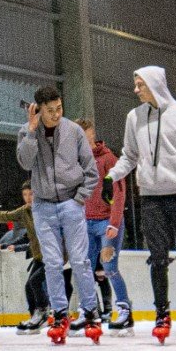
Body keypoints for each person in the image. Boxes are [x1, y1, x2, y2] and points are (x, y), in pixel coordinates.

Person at [105, 67, 176, 345]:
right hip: (151, 197)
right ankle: (162, 314)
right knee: (158, 258)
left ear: (154, 84)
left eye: (140, 84)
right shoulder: (134, 117)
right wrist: (111, 176)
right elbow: (129, 156)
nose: (136, 90)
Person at [17, 86, 102, 344]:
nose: (56, 114)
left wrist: (79, 199)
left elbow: (91, 171)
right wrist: (32, 131)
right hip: (43, 207)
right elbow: (25, 162)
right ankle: (60, 314)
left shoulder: (74, 131)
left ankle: (91, 312)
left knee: (80, 261)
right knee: (52, 263)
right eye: (50, 110)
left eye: (59, 108)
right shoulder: (26, 131)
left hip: (71, 204)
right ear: (38, 110)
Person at [76, 118, 132, 334]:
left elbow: (119, 192)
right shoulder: (78, 161)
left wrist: (115, 223)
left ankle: (124, 310)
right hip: (86, 223)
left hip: (107, 222)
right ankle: (88, 310)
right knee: (85, 269)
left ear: (91, 134)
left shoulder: (109, 159)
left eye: (84, 133)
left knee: (109, 268)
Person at [0, 185, 46, 332]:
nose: (28, 198)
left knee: (35, 282)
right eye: (25, 194)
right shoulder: (24, 212)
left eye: (31, 194)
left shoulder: (46, 209)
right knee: (29, 286)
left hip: (53, 256)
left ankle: (44, 313)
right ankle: (35, 317)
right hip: (39, 257)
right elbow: (3, 216)